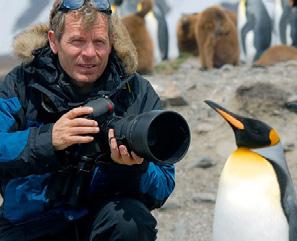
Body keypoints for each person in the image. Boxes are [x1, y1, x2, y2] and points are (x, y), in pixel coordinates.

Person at [0, 0, 175, 240]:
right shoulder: (21, 84)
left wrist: (135, 169)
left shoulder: (135, 91)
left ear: (111, 41)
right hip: (29, 223)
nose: (90, 53)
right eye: (77, 41)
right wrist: (48, 140)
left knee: (131, 222)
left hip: (98, 217)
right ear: (54, 41)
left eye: (99, 42)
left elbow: (164, 184)